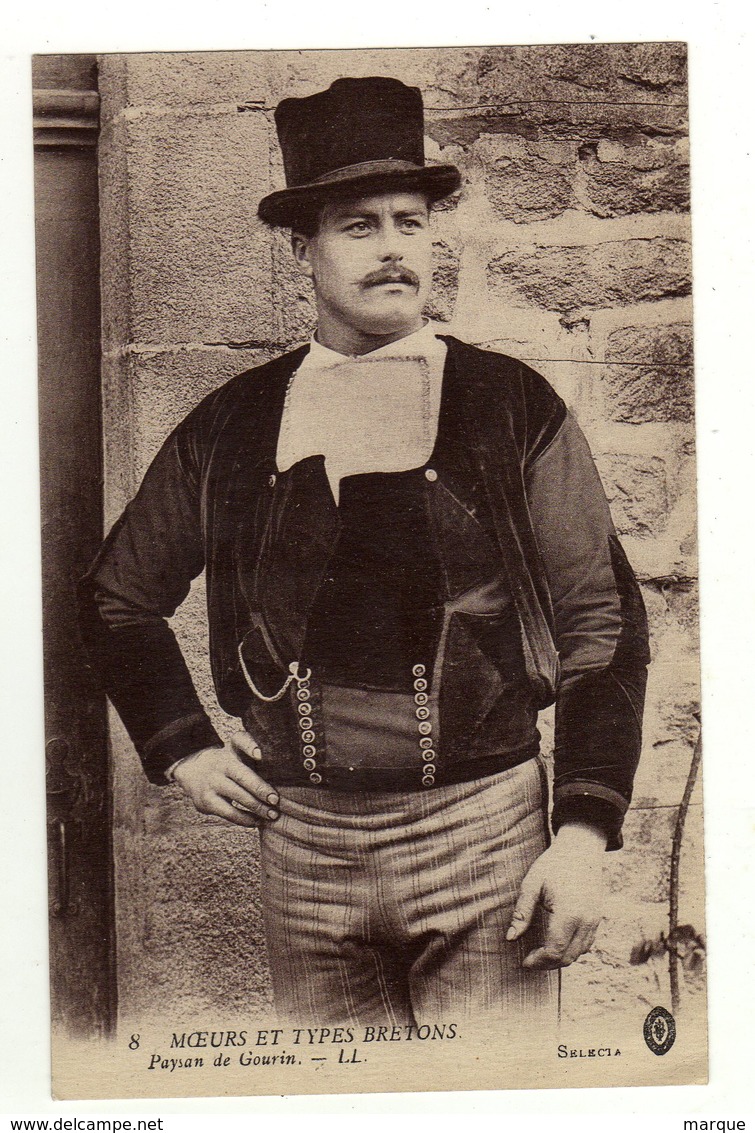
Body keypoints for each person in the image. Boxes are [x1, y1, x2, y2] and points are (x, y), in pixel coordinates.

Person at [80, 76, 650, 1026]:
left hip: (484, 841)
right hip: (303, 855)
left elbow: (602, 621)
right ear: (301, 249)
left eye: (410, 222)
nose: (393, 248)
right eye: (358, 226)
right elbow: (115, 598)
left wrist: (583, 834)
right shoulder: (232, 422)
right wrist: (181, 747)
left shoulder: (510, 404)